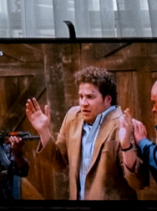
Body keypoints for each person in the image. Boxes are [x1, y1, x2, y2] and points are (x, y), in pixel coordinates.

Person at [26, 66, 145, 201]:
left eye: (90, 97)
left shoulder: (123, 125)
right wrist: (43, 131)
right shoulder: (72, 117)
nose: (83, 103)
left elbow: (138, 182)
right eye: (81, 96)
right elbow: (58, 161)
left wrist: (125, 146)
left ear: (107, 100)